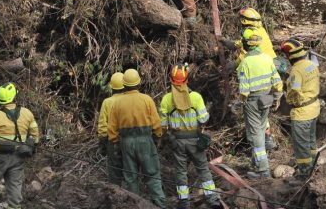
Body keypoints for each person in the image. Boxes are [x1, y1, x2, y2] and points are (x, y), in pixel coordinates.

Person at [159, 64, 222, 209]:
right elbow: (203, 119)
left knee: (181, 172)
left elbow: (163, 125)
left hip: (176, 142)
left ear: (171, 79)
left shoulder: (166, 100)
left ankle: (184, 202)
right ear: (187, 79)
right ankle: (212, 199)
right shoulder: (195, 97)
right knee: (203, 168)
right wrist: (207, 110)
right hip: (195, 140)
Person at [0, 82, 40, 209]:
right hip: (18, 157)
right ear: (14, 96)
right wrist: (34, 147)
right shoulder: (27, 113)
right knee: (15, 186)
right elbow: (35, 134)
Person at [108, 69, 165, 208]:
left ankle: (134, 205)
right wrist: (158, 137)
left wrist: (116, 143)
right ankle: (159, 204)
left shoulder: (117, 103)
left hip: (126, 143)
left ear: (124, 85)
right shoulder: (146, 99)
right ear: (139, 83)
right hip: (145, 141)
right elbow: (156, 123)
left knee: (130, 178)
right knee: (152, 174)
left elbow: (112, 128)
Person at [236, 28, 283, 179]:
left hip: (252, 102)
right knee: (261, 130)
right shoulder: (267, 58)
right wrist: (276, 97)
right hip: (266, 100)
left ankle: (263, 171)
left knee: (255, 135)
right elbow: (277, 82)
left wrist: (240, 103)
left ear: (245, 44)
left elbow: (243, 90)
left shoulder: (245, 63)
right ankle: (257, 165)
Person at [281, 39, 321, 179]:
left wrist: (287, 96)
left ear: (289, 56)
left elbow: (295, 91)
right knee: (311, 142)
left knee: (301, 146)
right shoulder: (312, 64)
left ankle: (305, 173)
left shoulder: (296, 71)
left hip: (302, 113)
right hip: (314, 108)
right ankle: (314, 167)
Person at [97, 72, 125, 185]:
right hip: (128, 140)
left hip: (113, 142)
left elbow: (103, 126)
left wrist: (102, 142)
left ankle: (116, 195)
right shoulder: (129, 100)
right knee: (130, 171)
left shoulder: (107, 102)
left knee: (114, 172)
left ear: (111, 87)